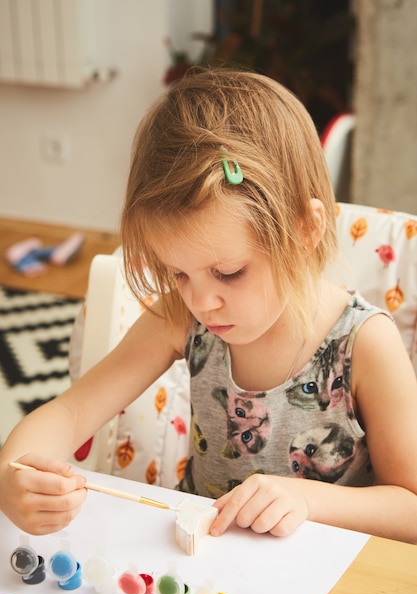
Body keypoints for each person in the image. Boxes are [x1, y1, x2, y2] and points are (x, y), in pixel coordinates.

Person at [1, 69, 417, 544]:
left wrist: (307, 499)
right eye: (179, 273)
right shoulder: (182, 318)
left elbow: (410, 506)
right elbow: (71, 414)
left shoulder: (364, 344)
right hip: (205, 570)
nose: (202, 301)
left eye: (229, 272)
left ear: (304, 229)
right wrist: (13, 472)